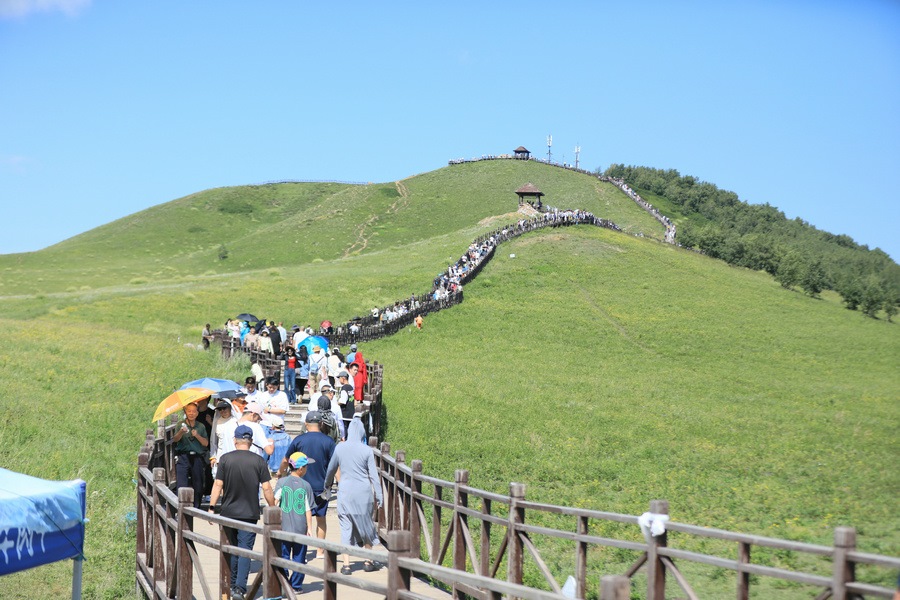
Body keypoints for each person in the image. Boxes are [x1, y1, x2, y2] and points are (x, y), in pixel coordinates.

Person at [208, 425, 275, 600]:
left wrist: (212, 507)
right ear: (251, 441)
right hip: (249, 513)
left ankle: (230, 584)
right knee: (245, 550)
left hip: (228, 512)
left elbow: (218, 484)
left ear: (235, 440)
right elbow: (267, 488)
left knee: (230, 548)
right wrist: (273, 507)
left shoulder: (225, 459)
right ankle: (239, 589)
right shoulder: (259, 461)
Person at [323, 419, 383, 574]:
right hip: (363, 493)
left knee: (345, 527)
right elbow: (374, 476)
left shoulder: (340, 448)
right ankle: (368, 561)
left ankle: (346, 565)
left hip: (345, 492)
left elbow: (331, 469)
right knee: (366, 524)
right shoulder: (367, 450)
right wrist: (379, 495)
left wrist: (327, 484)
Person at [277, 411, 336, 560]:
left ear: (306, 424)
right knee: (321, 519)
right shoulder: (329, 441)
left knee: (300, 517)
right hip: (321, 486)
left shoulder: (299, 440)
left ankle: (299, 551)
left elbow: (286, 460)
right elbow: (335, 465)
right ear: (321, 424)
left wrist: (280, 472)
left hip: (300, 485)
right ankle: (320, 551)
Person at [274, 452, 315, 593]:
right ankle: (295, 586)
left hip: (283, 527)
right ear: (301, 469)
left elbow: (274, 502)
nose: (307, 469)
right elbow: (308, 509)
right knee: (299, 558)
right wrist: (309, 528)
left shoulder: (282, 483)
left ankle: (283, 583)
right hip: (300, 528)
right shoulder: (306, 485)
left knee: (283, 556)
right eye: (306, 466)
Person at [173, 402, 208, 508]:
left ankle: (196, 507)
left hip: (197, 457)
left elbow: (205, 443)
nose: (191, 413)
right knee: (181, 483)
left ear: (197, 413)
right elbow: (175, 439)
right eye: (189, 411)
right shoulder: (180, 425)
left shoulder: (200, 426)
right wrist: (181, 432)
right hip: (183, 456)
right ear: (185, 412)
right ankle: (181, 507)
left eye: (193, 411)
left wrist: (197, 435)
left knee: (198, 483)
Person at [335, 370, 355, 437]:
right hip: (351, 413)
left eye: (339, 378)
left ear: (343, 378)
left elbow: (343, 400)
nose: (339, 380)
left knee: (345, 432)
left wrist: (336, 404)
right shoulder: (350, 387)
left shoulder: (344, 388)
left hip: (345, 414)